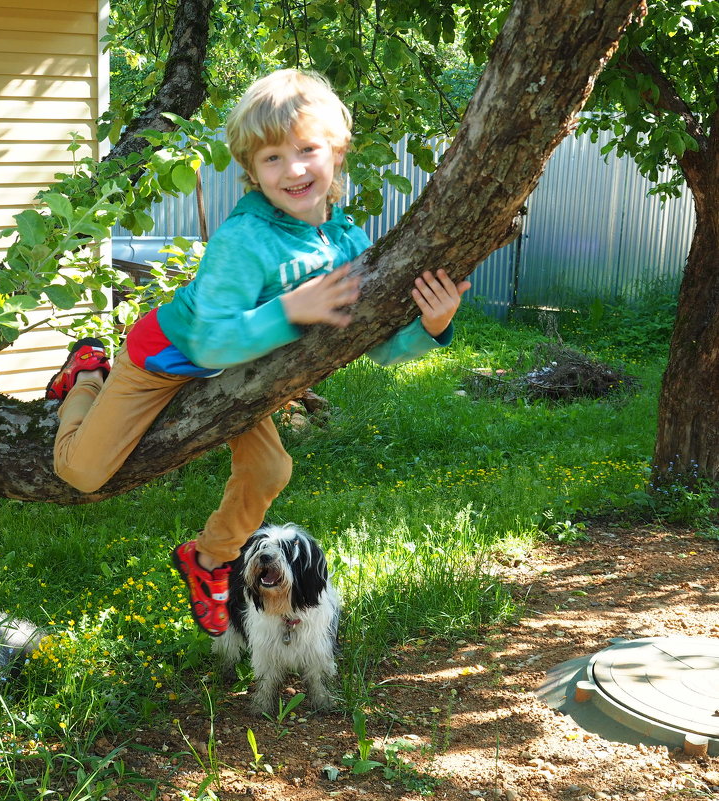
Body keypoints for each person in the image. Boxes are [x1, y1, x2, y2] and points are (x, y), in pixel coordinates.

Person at [44, 69, 470, 637]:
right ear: (250, 170)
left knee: (272, 468)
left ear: (337, 151)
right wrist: (292, 309)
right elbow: (211, 339)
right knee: (83, 472)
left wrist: (432, 325)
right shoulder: (244, 238)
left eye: (306, 150)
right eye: (272, 158)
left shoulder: (346, 240)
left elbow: (382, 347)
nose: (293, 169)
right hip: (164, 360)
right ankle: (88, 379)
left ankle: (207, 558)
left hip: (241, 374)